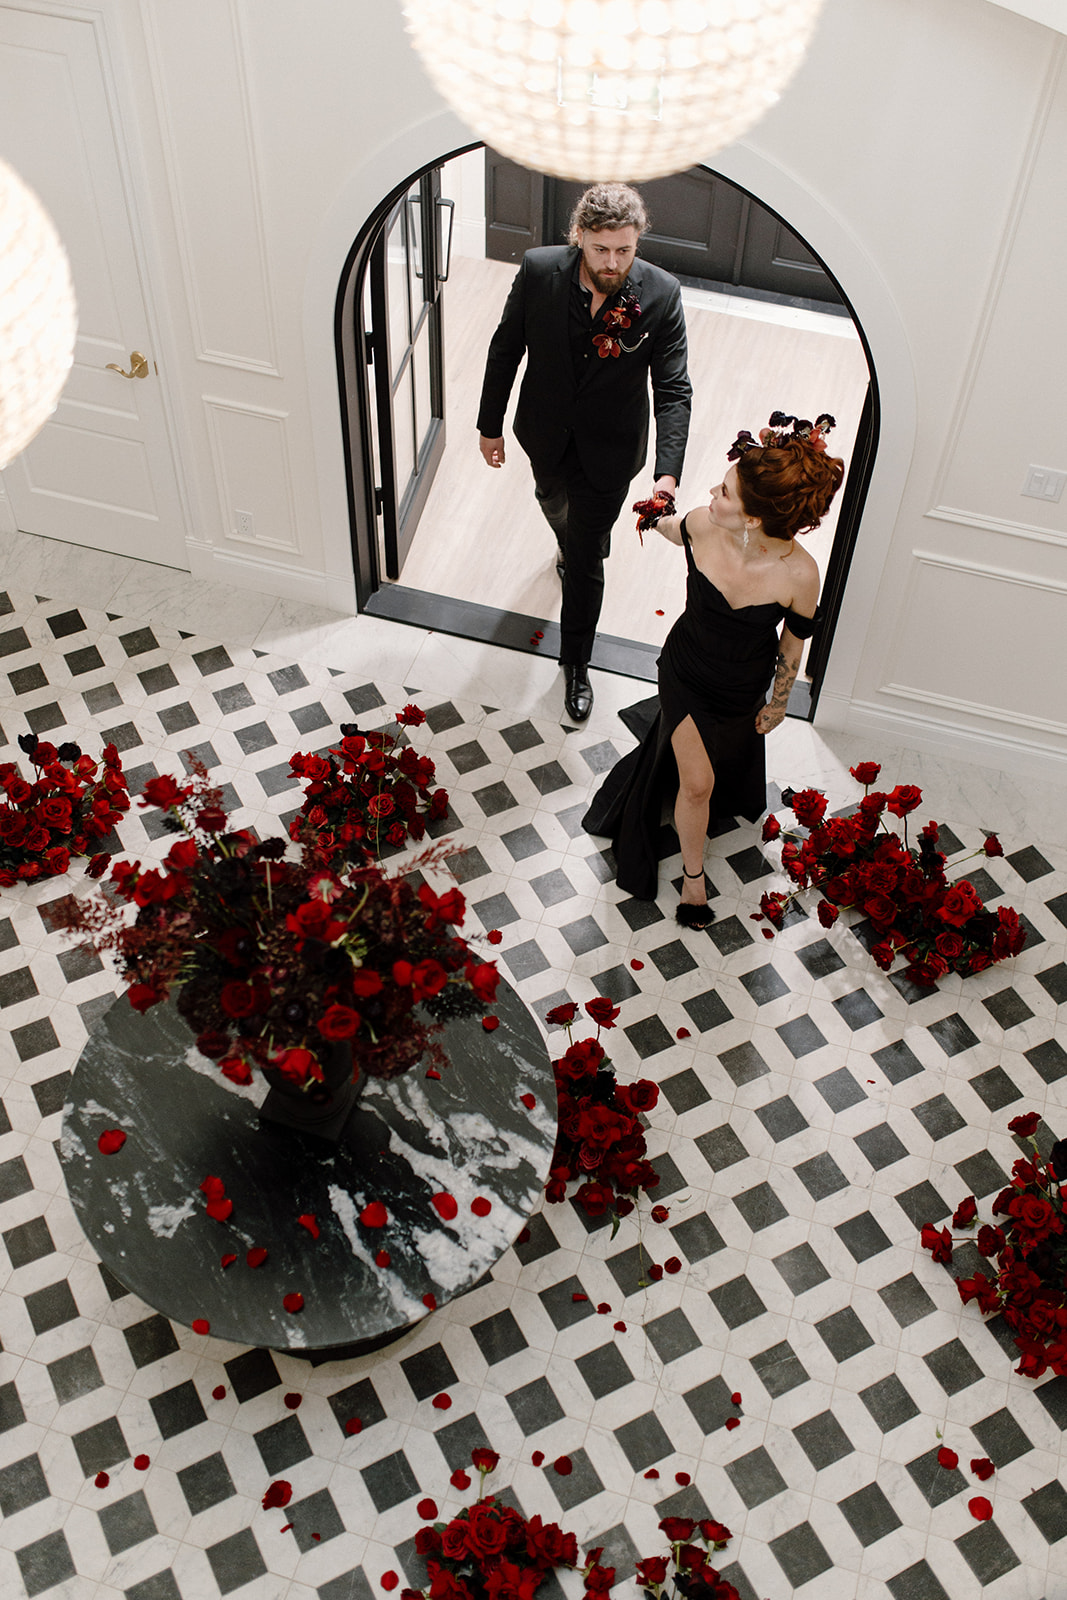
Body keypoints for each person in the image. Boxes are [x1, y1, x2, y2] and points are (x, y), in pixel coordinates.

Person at [584, 413, 844, 927]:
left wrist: (778, 701)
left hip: (743, 684)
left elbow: (793, 644)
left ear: (751, 518)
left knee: (713, 763)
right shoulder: (704, 524)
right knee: (698, 783)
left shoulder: (800, 574)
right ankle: (694, 879)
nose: (712, 493)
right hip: (686, 670)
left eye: (725, 492)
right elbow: (667, 526)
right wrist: (650, 505)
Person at [476, 183, 692, 723]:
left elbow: (673, 389)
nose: (614, 262)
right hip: (544, 434)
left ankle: (576, 664)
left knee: (588, 554)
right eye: (602, 250)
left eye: (625, 250)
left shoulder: (661, 295)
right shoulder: (537, 270)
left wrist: (667, 474)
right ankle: (568, 541)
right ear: (580, 237)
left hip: (611, 451)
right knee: (552, 503)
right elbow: (506, 349)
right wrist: (490, 426)